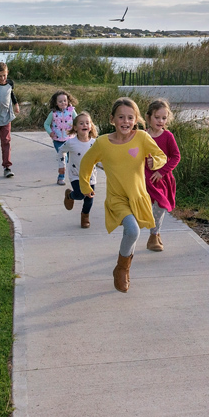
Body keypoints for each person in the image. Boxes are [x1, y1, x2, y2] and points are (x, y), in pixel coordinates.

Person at [77, 97, 167, 293]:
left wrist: (156, 163)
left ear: (135, 120)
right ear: (112, 119)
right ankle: (122, 269)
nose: (125, 122)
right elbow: (86, 163)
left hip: (138, 196)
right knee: (133, 231)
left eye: (130, 118)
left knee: (131, 234)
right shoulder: (102, 143)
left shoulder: (142, 138)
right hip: (117, 198)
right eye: (121, 117)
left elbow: (161, 155)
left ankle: (123, 269)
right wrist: (85, 186)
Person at [143, 99, 181, 252]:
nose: (160, 121)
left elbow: (176, 156)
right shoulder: (142, 135)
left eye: (164, 118)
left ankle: (154, 235)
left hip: (162, 179)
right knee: (145, 208)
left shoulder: (168, 136)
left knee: (160, 207)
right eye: (157, 117)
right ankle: (155, 233)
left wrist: (161, 171)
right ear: (148, 117)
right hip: (145, 178)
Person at [60, 112, 102, 229]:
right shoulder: (71, 143)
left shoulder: (95, 143)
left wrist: (106, 166)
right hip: (76, 174)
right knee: (80, 195)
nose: (85, 125)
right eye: (81, 123)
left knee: (89, 198)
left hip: (90, 176)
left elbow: (99, 158)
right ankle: (70, 195)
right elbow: (61, 151)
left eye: (87, 123)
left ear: (91, 126)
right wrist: (61, 165)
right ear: (75, 127)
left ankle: (85, 217)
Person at [44, 90, 77, 185]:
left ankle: (75, 176)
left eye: (65, 101)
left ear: (68, 101)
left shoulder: (71, 111)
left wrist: (77, 129)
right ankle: (61, 178)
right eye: (60, 101)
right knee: (63, 159)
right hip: (58, 141)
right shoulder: (53, 114)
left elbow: (77, 120)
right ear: (56, 103)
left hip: (70, 139)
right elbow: (46, 124)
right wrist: (50, 132)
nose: (63, 103)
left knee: (73, 159)